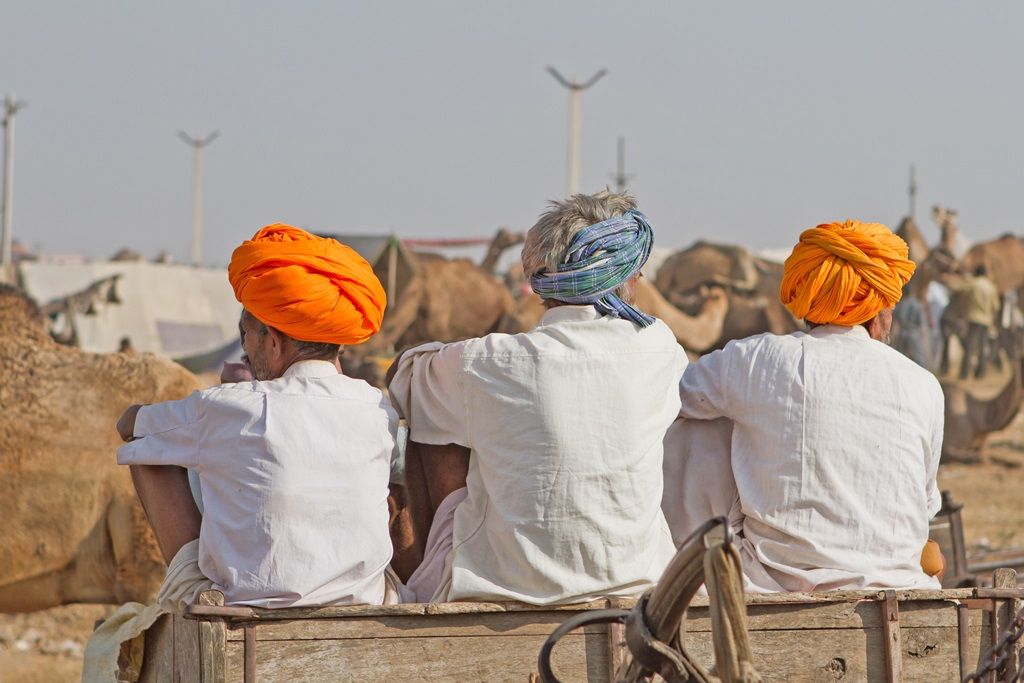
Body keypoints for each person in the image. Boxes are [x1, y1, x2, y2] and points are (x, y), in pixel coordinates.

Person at [388, 190, 687, 604]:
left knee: (438, 412)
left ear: (538, 280)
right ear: (625, 276)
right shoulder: (660, 346)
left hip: (503, 584)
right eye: (637, 270)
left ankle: (431, 568)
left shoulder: (487, 362)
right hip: (639, 577)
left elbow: (403, 376)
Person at [114, 224, 398, 608]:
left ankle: (194, 589)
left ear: (275, 342)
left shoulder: (231, 406)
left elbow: (129, 426)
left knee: (146, 449)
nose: (245, 349)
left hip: (248, 612)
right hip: (365, 604)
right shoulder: (376, 407)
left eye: (246, 334)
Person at [662, 220, 944, 592]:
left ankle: (671, 566)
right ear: (880, 316)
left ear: (805, 304)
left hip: (770, 587)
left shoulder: (755, 360)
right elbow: (925, 507)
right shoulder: (922, 383)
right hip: (901, 588)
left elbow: (669, 395)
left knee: (694, 421)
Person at [950, 264, 1000, 380]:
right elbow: (996, 307)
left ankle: (964, 373)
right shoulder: (991, 286)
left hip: (974, 319)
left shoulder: (974, 283)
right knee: (982, 347)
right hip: (986, 321)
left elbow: (960, 289)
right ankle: (980, 373)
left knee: (970, 346)